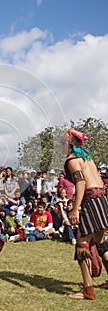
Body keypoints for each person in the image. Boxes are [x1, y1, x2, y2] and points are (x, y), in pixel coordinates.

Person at [62, 128, 108, 299]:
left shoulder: (72, 160)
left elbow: (80, 182)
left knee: (82, 246)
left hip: (90, 200)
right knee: (100, 243)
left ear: (69, 143)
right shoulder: (87, 159)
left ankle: (88, 290)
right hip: (101, 199)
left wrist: (75, 209)